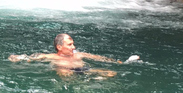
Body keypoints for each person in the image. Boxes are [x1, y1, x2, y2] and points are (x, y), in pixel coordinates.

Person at [9, 33, 138, 77]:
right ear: (59, 47)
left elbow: (100, 58)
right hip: (66, 73)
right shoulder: (53, 56)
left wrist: (117, 62)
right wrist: (18, 57)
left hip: (84, 71)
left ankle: (91, 81)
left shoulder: (79, 55)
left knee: (111, 73)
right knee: (66, 74)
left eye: (73, 44)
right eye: (69, 44)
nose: (73, 47)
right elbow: (34, 57)